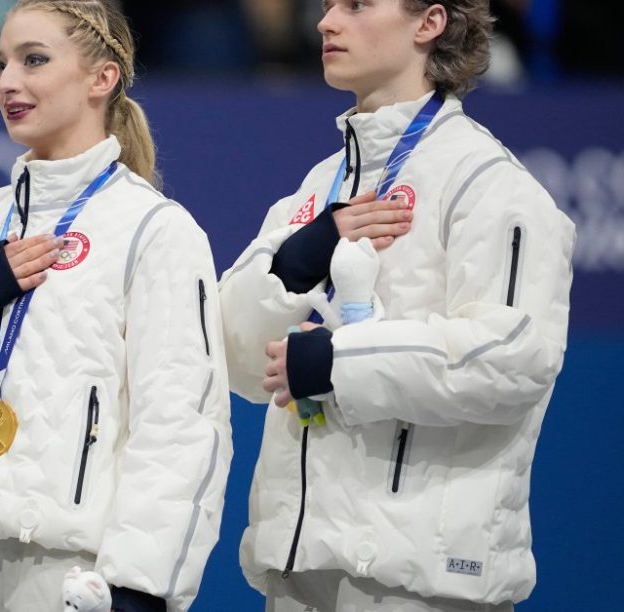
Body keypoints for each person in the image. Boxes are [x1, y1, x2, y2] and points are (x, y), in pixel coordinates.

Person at [0, 1, 232, 610]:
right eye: (1, 63)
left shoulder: (155, 228)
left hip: (78, 576)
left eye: (34, 60)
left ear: (101, 78)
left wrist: (141, 585)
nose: (8, 82)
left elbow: (182, 426)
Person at [218, 1, 574, 610]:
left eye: (356, 5)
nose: (326, 22)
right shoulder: (315, 190)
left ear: (429, 22)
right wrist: (290, 267)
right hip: (298, 569)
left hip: (421, 580)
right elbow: (237, 364)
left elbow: (514, 358)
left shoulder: (488, 182)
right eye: (327, 5)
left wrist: (339, 362)